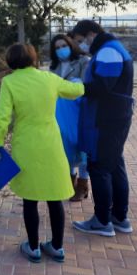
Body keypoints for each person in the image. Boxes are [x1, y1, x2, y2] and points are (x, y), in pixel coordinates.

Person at [0, 43, 83, 263]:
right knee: (54, 198)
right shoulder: (49, 78)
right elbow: (75, 91)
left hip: (27, 145)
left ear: (10, 62)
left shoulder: (9, 82)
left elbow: (2, 118)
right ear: (33, 58)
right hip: (51, 144)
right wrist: (81, 83)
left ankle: (33, 248)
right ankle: (57, 247)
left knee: (30, 200)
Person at [71, 20, 134, 237]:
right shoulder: (112, 49)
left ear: (90, 34)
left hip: (106, 119)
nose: (81, 46)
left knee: (99, 168)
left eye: (81, 41)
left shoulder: (108, 52)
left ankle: (102, 221)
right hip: (113, 117)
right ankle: (119, 217)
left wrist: (75, 87)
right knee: (115, 165)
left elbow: (102, 87)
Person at [49, 34, 91, 201]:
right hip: (61, 112)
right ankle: (69, 181)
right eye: (57, 48)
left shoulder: (83, 61)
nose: (61, 50)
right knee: (64, 144)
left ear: (70, 45)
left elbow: (86, 85)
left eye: (63, 46)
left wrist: (73, 84)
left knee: (80, 145)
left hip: (79, 110)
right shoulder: (54, 67)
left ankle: (82, 184)